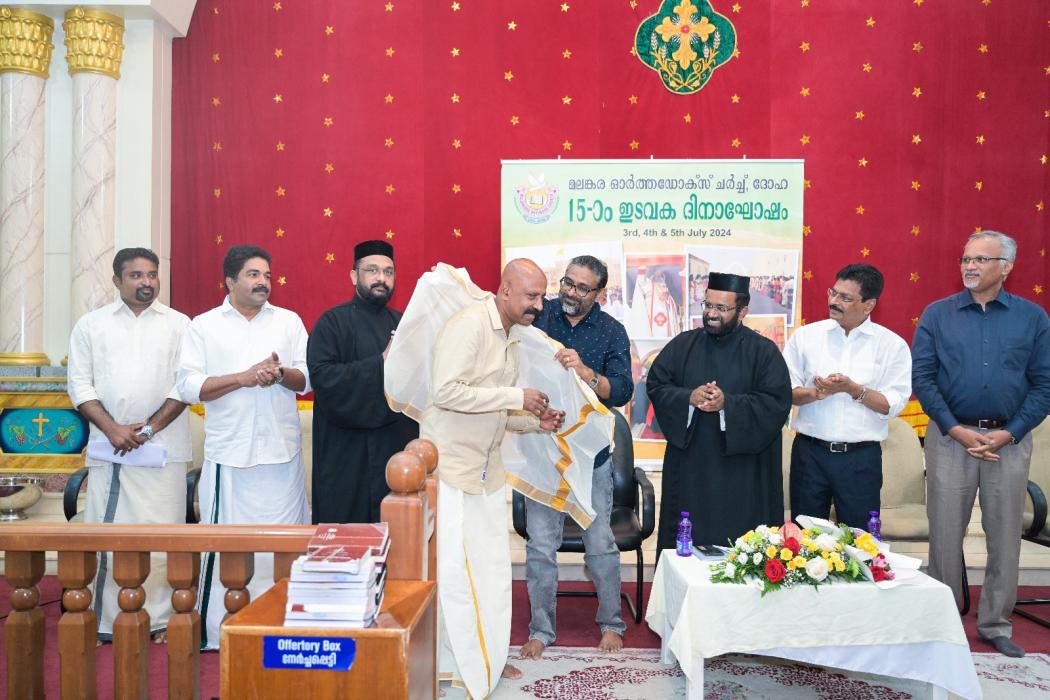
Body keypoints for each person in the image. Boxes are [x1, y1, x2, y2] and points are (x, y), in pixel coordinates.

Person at [422, 259, 564, 699]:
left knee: (492, 575)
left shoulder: (513, 336)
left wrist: (533, 422)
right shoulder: (469, 326)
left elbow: (494, 409)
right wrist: (517, 395)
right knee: (455, 577)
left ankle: (487, 658)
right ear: (505, 290)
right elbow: (446, 391)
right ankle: (458, 666)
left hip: (487, 472)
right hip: (452, 471)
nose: (538, 305)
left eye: (541, 297)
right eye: (531, 296)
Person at [913, 231, 1050, 658]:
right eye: (965, 259)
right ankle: (943, 622)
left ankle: (995, 624)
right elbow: (923, 379)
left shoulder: (1033, 318)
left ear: (1006, 267)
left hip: (1008, 440)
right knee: (944, 535)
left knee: (1005, 536)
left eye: (980, 259)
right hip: (950, 438)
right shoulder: (937, 314)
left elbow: (1044, 384)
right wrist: (955, 429)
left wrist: (1011, 432)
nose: (969, 266)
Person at [176, 244, 310, 649]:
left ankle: (283, 632)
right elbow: (188, 386)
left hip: (281, 456)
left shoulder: (288, 321)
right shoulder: (203, 326)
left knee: (283, 547)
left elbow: (307, 379)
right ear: (230, 281)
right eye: (253, 275)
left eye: (267, 275)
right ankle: (223, 633)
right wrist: (244, 377)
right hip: (230, 457)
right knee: (228, 549)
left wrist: (279, 373)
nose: (263, 282)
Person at [67, 248, 191, 643]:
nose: (147, 282)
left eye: (152, 274)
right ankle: (106, 620)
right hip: (111, 449)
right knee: (109, 539)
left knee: (163, 538)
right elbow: (79, 385)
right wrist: (112, 429)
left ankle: (161, 621)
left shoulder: (181, 325)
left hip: (163, 450)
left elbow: (186, 385)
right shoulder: (91, 325)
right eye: (136, 275)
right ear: (117, 281)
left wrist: (148, 430)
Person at [522, 255, 633, 660]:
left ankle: (611, 624)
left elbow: (622, 390)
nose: (570, 292)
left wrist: (586, 372)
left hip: (590, 455)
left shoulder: (611, 331)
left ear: (599, 293)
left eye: (582, 288)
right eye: (567, 282)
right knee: (540, 545)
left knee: (600, 542)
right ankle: (541, 629)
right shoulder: (538, 317)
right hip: (542, 450)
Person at [646, 272, 792, 551]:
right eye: (708, 305)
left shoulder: (764, 352)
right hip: (691, 469)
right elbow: (657, 385)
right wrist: (689, 397)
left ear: (743, 311)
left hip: (744, 474)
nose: (712, 314)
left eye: (722, 308)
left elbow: (776, 403)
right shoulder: (683, 345)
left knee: (741, 548)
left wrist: (728, 405)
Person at [784, 264, 911, 529]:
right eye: (833, 293)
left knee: (859, 541)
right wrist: (816, 393)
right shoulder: (806, 337)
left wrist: (854, 390)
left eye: (845, 297)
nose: (834, 301)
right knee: (803, 540)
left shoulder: (892, 345)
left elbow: (892, 405)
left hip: (860, 459)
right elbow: (786, 392)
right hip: (810, 454)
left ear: (869, 305)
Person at [307, 240, 418, 524]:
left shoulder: (405, 325)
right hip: (344, 455)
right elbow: (323, 377)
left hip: (393, 450)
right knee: (346, 536)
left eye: (388, 272)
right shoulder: (331, 323)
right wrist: (381, 362)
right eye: (372, 270)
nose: (382, 278)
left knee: (397, 533)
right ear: (354, 276)